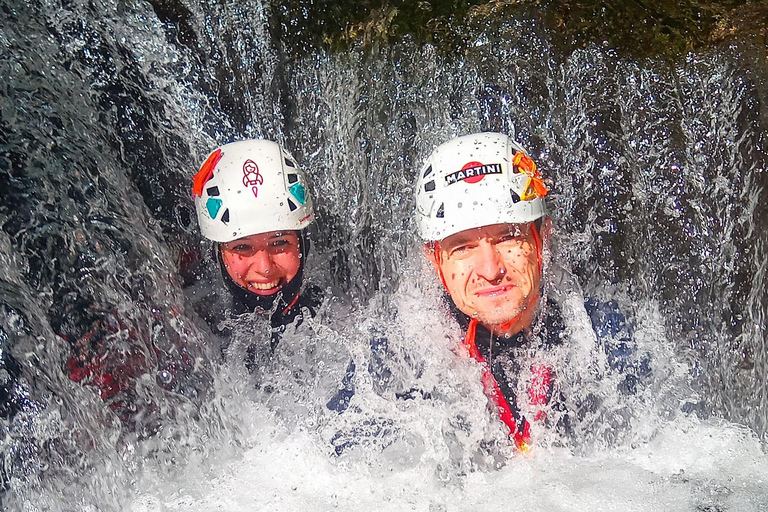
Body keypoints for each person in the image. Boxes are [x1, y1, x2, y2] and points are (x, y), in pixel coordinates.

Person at [414, 132, 646, 451]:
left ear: (542, 241)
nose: (491, 270)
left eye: (508, 238)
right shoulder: (405, 357)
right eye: (463, 247)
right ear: (435, 261)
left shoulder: (604, 336)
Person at [190, 139, 323, 367]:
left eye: (279, 243)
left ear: (303, 245)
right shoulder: (198, 333)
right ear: (218, 256)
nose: (265, 267)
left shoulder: (338, 322)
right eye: (242, 247)